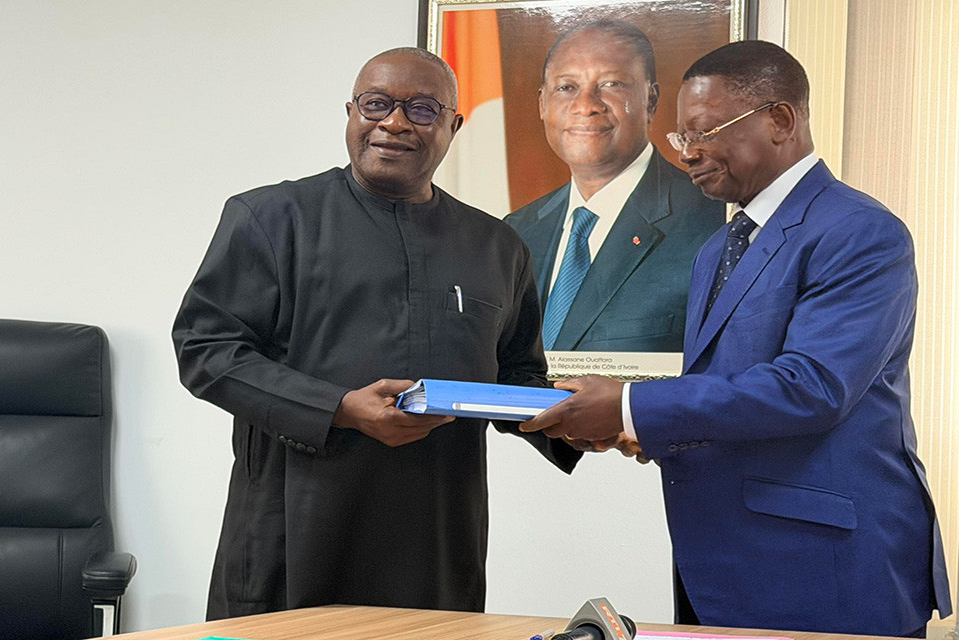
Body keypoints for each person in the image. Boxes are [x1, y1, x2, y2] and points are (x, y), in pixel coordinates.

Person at [521, 41, 952, 636]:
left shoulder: (859, 231)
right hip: (719, 563)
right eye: (682, 137)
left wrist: (630, 405)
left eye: (705, 132)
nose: (688, 153)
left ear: (781, 120)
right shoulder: (717, 248)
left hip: (824, 566)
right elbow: (723, 389)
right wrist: (640, 428)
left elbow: (812, 388)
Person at [172, 47, 578, 620]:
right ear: (351, 113)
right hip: (293, 524)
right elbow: (205, 349)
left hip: (437, 535)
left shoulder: (497, 247)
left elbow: (516, 374)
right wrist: (338, 408)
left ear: (454, 126)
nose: (395, 123)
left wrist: (576, 418)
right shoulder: (272, 218)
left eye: (422, 109)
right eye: (376, 104)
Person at [504, 21, 724, 352]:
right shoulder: (516, 231)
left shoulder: (714, 224)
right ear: (542, 105)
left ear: (651, 102)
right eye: (566, 87)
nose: (586, 105)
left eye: (611, 84)